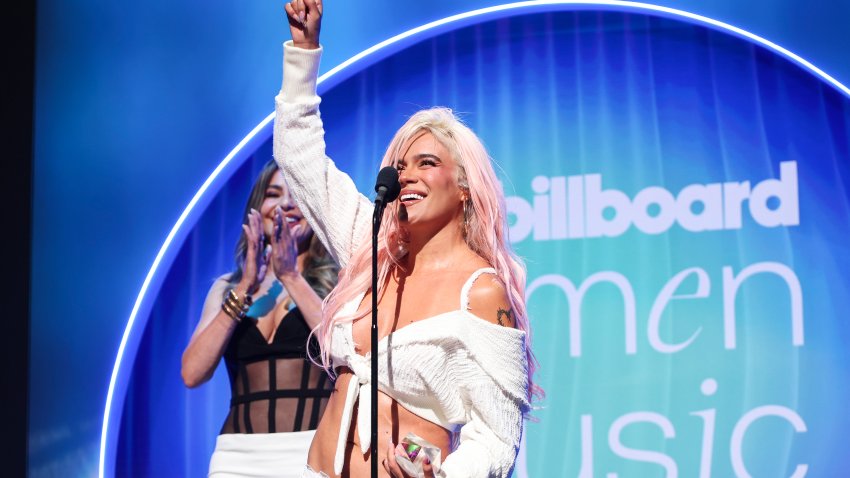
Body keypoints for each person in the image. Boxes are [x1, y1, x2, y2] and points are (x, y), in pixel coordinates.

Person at [276, 1, 541, 476]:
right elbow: (299, 161)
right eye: (401, 166)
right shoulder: (370, 245)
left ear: (464, 188)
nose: (407, 176)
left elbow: (497, 439)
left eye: (426, 163)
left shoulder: (480, 293)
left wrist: (444, 476)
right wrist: (303, 53)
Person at [182, 160, 338, 477]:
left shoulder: (340, 281)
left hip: (312, 452)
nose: (286, 204)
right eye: (274, 193)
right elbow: (192, 374)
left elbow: (345, 353)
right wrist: (244, 287)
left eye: (298, 195)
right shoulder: (227, 288)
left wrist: (291, 276)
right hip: (235, 458)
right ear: (257, 207)